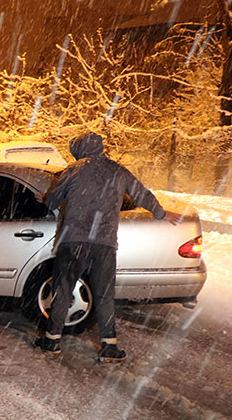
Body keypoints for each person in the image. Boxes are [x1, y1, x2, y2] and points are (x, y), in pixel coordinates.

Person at [33, 132, 181, 363]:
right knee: (104, 295)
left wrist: (46, 198)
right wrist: (161, 213)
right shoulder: (118, 170)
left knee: (63, 290)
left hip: (75, 242)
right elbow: (141, 193)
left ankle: (52, 342)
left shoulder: (74, 169)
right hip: (105, 244)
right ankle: (109, 347)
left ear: (79, 149)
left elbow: (52, 201)